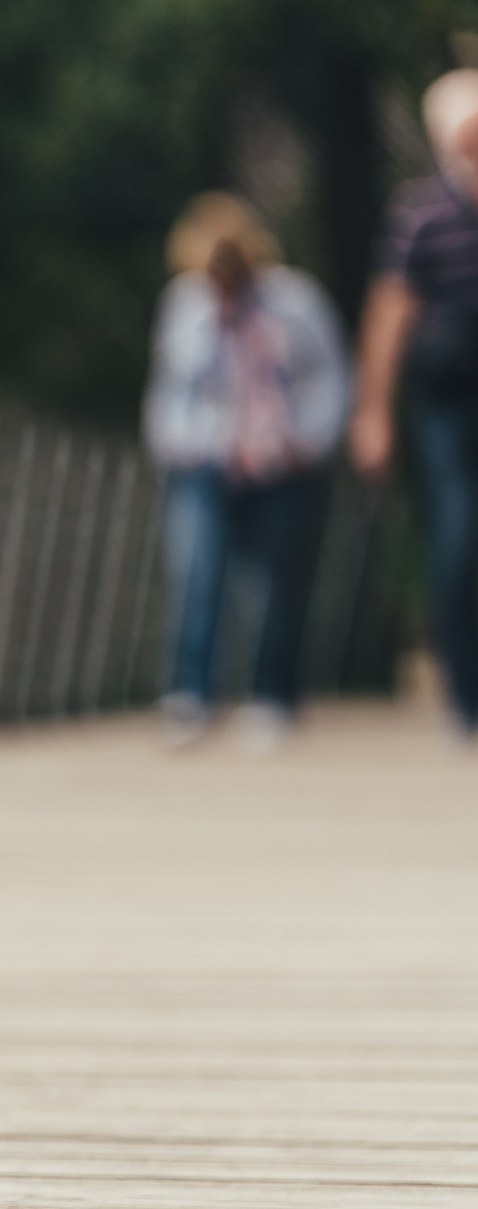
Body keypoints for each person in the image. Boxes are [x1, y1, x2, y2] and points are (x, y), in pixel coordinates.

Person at [142, 193, 348, 749]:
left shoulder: (296, 302)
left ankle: (273, 696)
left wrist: (311, 441)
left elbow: (328, 379)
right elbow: (171, 391)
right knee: (197, 571)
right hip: (206, 460)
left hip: (284, 461)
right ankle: (192, 693)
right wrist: (181, 444)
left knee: (277, 583)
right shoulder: (186, 305)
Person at [356, 70, 478, 739]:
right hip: (450, 403)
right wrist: (372, 410)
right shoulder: (421, 211)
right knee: (458, 541)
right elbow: (390, 312)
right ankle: (467, 694)